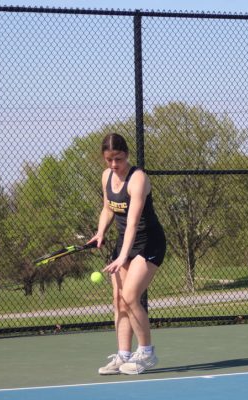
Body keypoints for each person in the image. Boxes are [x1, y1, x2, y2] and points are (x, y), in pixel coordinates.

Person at [88, 132, 166, 375]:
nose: (114, 165)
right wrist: (101, 232)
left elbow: (132, 222)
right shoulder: (106, 177)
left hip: (148, 243)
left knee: (131, 296)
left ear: (127, 155)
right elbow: (107, 208)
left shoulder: (138, 179)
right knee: (118, 299)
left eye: (118, 159)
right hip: (125, 243)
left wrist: (122, 257)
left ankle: (146, 353)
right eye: (109, 159)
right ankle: (123, 356)